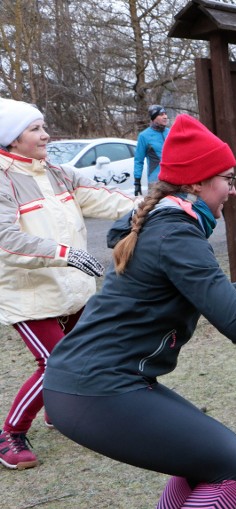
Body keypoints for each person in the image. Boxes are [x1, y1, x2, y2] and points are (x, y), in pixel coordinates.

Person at [43, 114, 236, 508]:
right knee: (233, 462)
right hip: (95, 389)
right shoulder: (176, 232)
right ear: (198, 182)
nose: (233, 191)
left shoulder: (162, 223)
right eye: (228, 179)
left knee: (205, 462)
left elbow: (194, 293)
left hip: (91, 382)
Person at [0, 98, 137, 470]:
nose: (46, 135)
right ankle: (10, 433)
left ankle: (59, 411)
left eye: (43, 127)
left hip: (72, 290)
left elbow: (102, 198)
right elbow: (5, 239)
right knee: (55, 364)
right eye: (35, 129)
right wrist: (65, 253)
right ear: (12, 139)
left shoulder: (56, 172)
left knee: (80, 357)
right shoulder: (4, 179)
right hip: (28, 294)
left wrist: (150, 204)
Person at [134, 104, 170, 196]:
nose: (165, 117)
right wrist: (137, 182)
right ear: (154, 118)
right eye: (161, 114)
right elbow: (138, 160)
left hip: (173, 180)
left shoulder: (171, 132)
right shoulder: (144, 136)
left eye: (165, 114)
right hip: (155, 182)